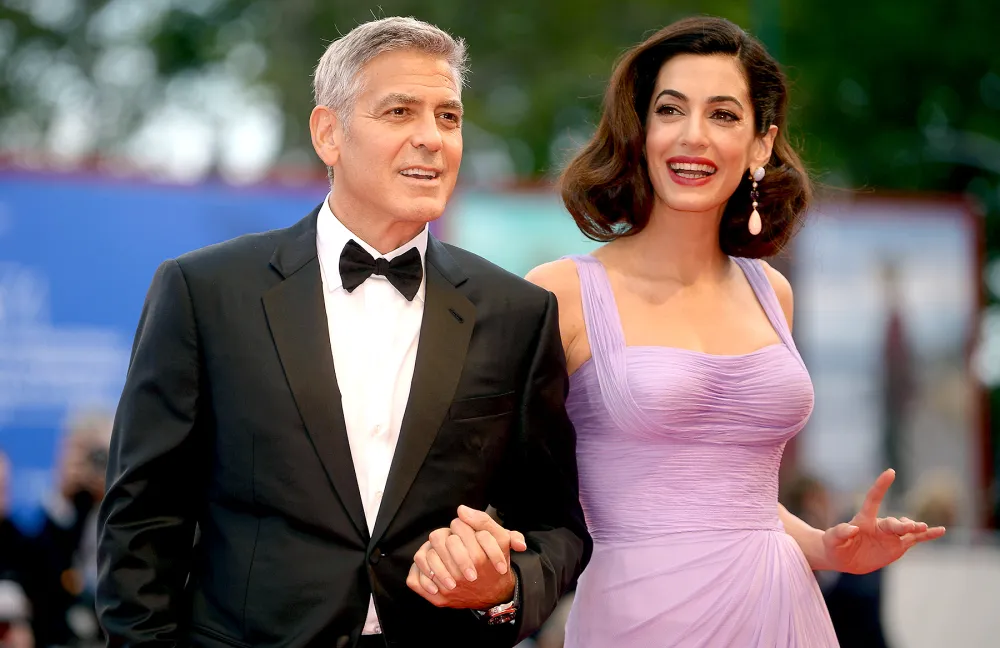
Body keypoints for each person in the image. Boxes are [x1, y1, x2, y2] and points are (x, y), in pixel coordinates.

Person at [413, 16, 946, 646]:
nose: (694, 135)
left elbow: (734, 497)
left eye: (723, 114)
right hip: (639, 615)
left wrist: (827, 547)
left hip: (782, 609)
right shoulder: (563, 293)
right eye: (670, 110)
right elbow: (495, 478)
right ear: (641, 132)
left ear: (761, 145)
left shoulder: (771, 291)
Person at [96, 17, 590, 648]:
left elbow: (556, 526)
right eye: (400, 111)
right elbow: (142, 521)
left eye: (448, 117)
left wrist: (503, 591)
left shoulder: (517, 312)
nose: (431, 138)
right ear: (328, 133)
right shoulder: (205, 292)